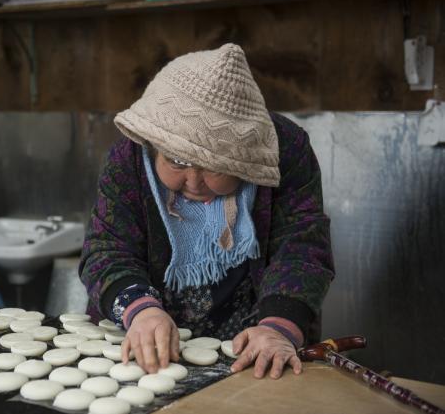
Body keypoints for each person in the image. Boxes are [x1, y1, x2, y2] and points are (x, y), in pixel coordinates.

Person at [79, 43, 334, 379]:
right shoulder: (127, 160)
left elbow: (302, 246)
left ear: (244, 161)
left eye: (215, 167)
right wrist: (141, 312)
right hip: (145, 340)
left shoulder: (284, 151)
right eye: (177, 161)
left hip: (254, 345)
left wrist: (278, 326)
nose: (194, 182)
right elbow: (106, 249)